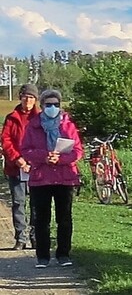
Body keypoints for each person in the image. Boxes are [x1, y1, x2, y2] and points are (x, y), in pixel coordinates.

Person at [21, 89, 83, 268]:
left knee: (64, 218)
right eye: (49, 105)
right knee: (41, 219)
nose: (53, 108)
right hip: (41, 178)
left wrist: (60, 159)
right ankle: (43, 256)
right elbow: (26, 150)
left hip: (65, 178)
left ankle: (63, 254)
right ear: (42, 106)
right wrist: (44, 157)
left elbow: (77, 151)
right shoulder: (33, 126)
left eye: (56, 104)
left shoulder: (68, 126)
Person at [2, 84, 40, 250]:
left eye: (31, 97)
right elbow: (6, 141)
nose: (28, 100)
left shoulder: (40, 118)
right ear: (20, 97)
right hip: (16, 167)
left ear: (35, 100)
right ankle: (21, 238)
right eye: (25, 96)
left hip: (36, 168)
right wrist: (18, 160)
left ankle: (36, 237)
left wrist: (34, 160)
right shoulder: (12, 118)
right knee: (18, 202)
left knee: (37, 204)